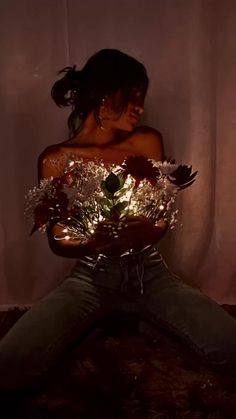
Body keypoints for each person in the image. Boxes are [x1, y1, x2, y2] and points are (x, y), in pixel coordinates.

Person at [0, 49, 236, 392]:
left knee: (228, 345)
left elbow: (159, 219)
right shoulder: (56, 159)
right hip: (90, 279)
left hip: (150, 274)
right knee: (13, 361)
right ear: (104, 97)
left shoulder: (147, 141)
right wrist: (94, 240)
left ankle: (145, 317)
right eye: (134, 97)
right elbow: (57, 239)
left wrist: (147, 231)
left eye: (143, 98)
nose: (140, 108)